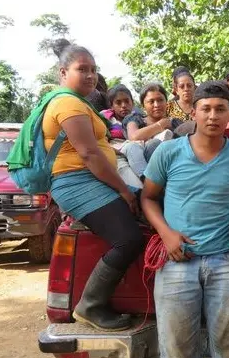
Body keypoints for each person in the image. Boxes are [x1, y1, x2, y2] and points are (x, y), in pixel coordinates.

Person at [140, 81, 229, 358]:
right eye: (206, 108)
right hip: (176, 262)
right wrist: (166, 234)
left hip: (226, 262)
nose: (212, 116)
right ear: (193, 112)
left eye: (220, 109)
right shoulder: (168, 152)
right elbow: (148, 198)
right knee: (177, 354)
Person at [40, 45, 148, 330]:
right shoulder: (68, 104)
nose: (90, 75)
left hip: (91, 180)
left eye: (93, 69)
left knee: (151, 203)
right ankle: (90, 304)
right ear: (63, 72)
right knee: (129, 238)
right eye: (82, 69)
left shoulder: (78, 102)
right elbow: (89, 155)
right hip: (77, 182)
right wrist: (124, 191)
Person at [122, 82, 178, 179]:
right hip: (143, 169)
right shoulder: (136, 119)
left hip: (172, 168)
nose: (156, 105)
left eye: (160, 100)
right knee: (153, 144)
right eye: (151, 101)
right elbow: (134, 136)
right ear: (143, 106)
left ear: (166, 102)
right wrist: (160, 125)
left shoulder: (174, 122)